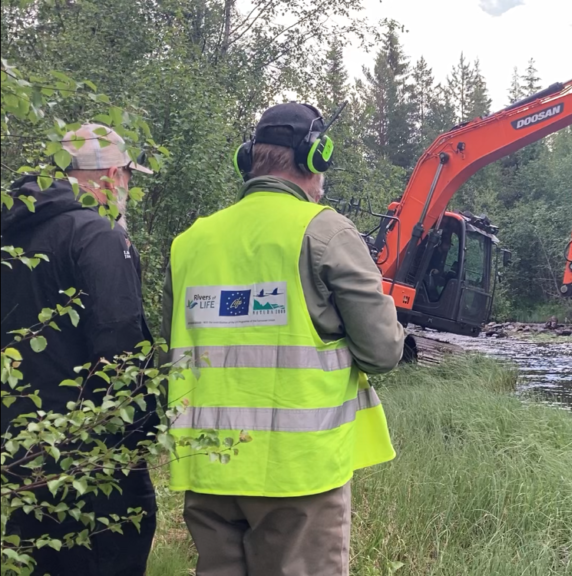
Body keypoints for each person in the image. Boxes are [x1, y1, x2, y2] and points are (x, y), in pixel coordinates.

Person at [161, 102, 406, 576]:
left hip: (208, 467)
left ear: (249, 158)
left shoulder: (190, 241)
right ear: (315, 159)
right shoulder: (325, 232)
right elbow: (382, 352)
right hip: (298, 475)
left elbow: (172, 353)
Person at [0, 123, 157, 575]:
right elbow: (121, 345)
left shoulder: (14, 230)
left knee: (37, 557)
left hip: (22, 443)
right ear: (111, 174)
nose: (127, 186)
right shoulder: (99, 235)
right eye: (128, 175)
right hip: (92, 455)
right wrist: (135, 438)